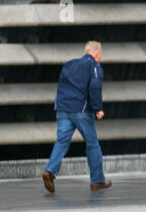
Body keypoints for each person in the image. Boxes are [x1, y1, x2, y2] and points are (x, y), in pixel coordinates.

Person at [42, 41, 112, 193]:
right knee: (92, 143)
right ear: (97, 54)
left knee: (61, 142)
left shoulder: (69, 64)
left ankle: (50, 171)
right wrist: (98, 108)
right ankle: (97, 180)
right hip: (81, 110)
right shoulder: (93, 66)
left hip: (62, 108)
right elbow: (94, 86)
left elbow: (61, 86)